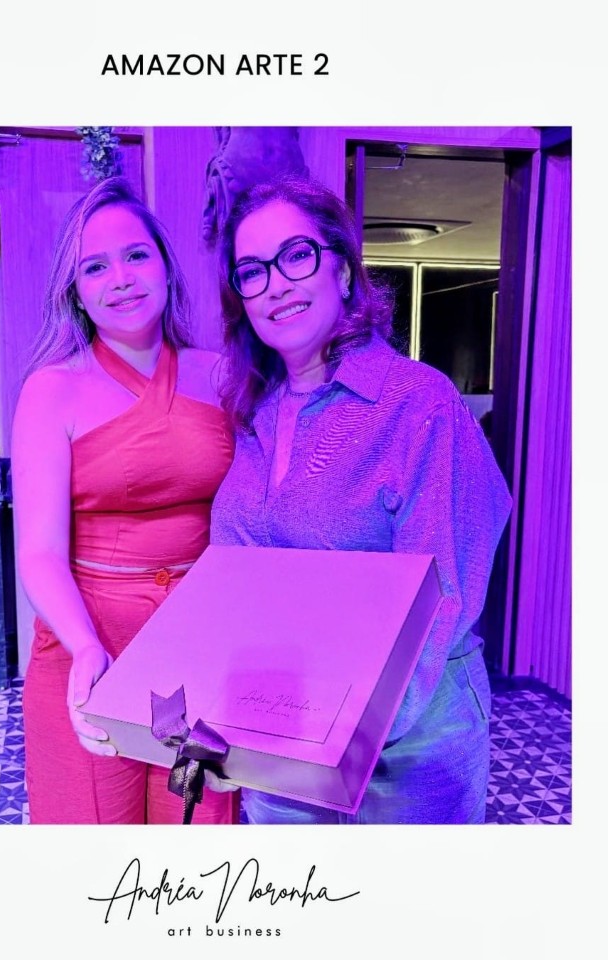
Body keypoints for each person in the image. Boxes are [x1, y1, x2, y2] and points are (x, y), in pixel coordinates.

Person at [209, 175, 512, 824]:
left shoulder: (419, 403)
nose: (276, 284)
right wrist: (228, 714)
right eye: (252, 271)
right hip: (281, 738)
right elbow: (238, 583)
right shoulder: (255, 413)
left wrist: (341, 737)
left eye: (296, 256)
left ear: (344, 271)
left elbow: (444, 595)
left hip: (409, 747)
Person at [11, 177, 239, 824]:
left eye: (136, 255)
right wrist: (86, 647)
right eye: (95, 266)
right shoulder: (51, 391)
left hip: (200, 643)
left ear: (165, 266)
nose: (121, 279)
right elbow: (40, 552)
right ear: (75, 291)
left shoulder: (220, 374)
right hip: (89, 637)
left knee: (194, 825)